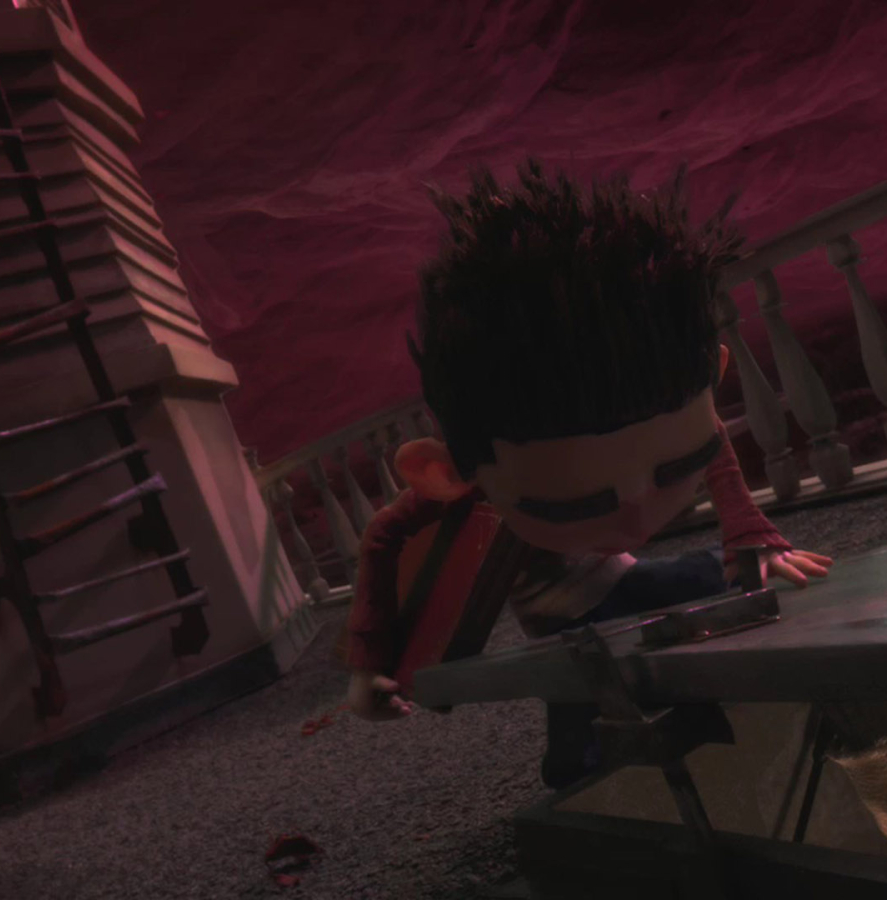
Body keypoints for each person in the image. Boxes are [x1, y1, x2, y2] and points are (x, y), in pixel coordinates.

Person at [342, 160, 831, 789]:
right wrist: (368, 666)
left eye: (673, 467)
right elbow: (384, 535)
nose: (638, 517)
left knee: (733, 575)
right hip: (566, 626)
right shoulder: (467, 489)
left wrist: (749, 531)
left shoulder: (670, 417)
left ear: (713, 373)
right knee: (582, 724)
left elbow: (706, 436)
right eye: (573, 503)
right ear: (441, 473)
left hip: (619, 581)